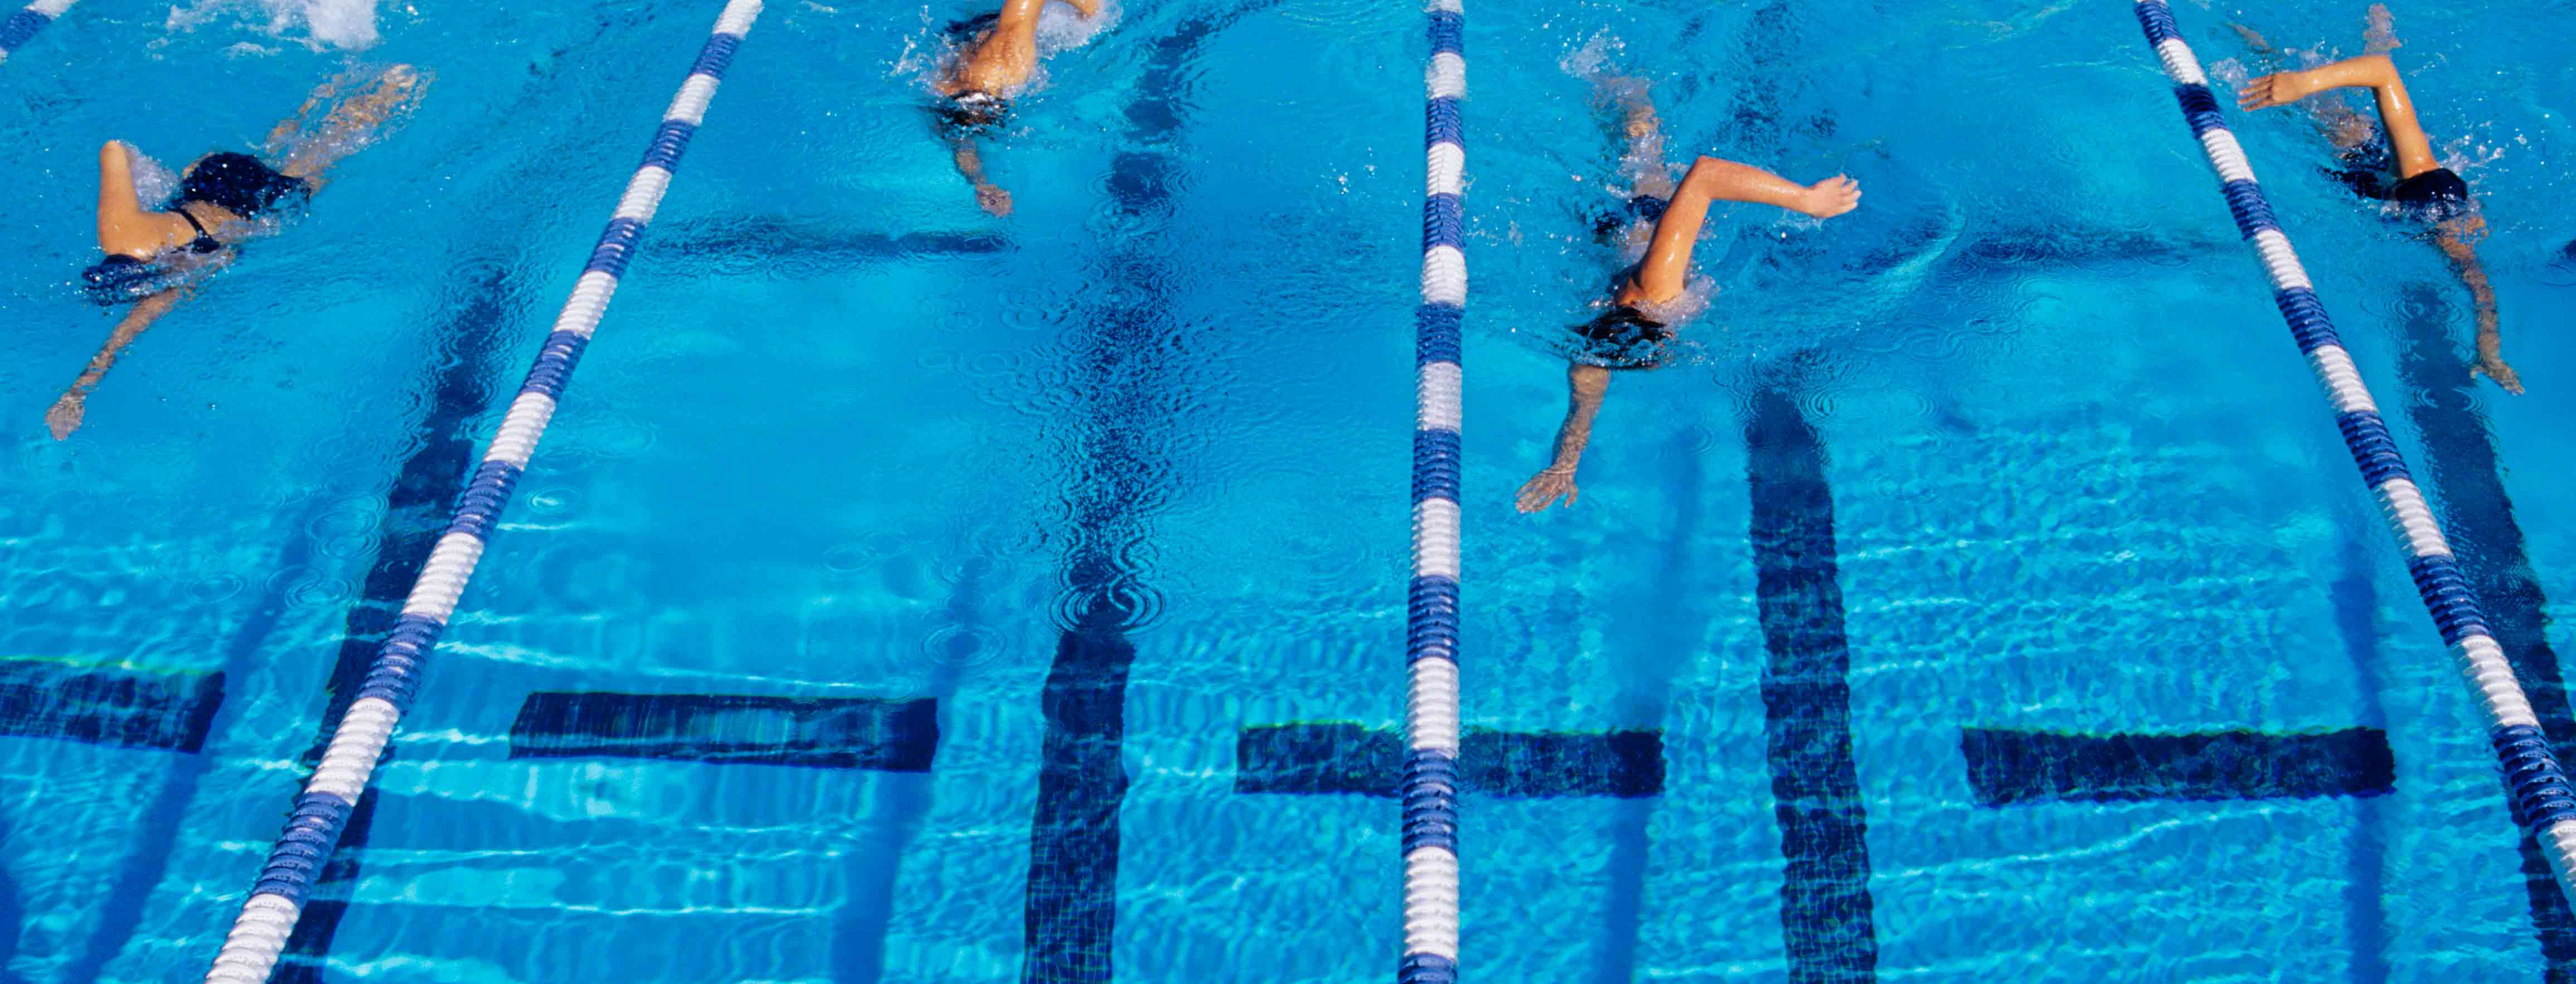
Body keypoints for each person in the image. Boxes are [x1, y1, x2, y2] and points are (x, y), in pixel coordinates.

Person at [1515, 76, 1860, 514]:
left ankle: (1617, 77)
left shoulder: (1658, 290)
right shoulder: (1593, 354)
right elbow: (1581, 411)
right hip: (1610, 236)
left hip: (1645, 210)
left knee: (1640, 139)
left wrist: (1808, 201)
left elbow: (1707, 174)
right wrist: (1564, 467)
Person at [47, 65, 424, 440]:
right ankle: (341, 83)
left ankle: (390, 92)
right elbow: (114, 149)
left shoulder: (175, 262)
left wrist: (77, 394)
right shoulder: (122, 236)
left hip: (247, 214)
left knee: (319, 160)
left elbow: (125, 333)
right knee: (277, 148)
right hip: (207, 180)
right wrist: (158, 185)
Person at [2234, 5, 2521, 394]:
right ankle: (2245, 34)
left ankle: (2379, 33)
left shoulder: (2445, 221)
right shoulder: (2423, 179)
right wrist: (2301, 83)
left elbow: (2482, 294)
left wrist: (2489, 353)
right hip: (2362, 158)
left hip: (2381, 179)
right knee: (2329, 115)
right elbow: (2383, 73)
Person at [934, 0, 1099, 216]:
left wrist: (1092, 13)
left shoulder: (1008, 61)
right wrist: (982, 184)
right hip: (966, 31)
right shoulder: (946, 90)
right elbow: (962, 143)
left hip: (982, 30)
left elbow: (962, 143)